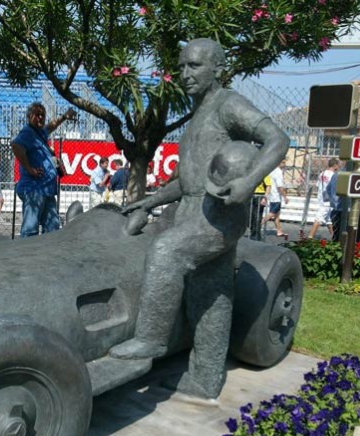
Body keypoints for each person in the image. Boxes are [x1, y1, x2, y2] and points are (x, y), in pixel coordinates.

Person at [108, 38, 290, 402]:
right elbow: (187, 179)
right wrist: (152, 198)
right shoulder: (200, 112)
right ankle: (206, 378)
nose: (185, 74)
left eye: (195, 66)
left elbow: (278, 139)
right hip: (195, 207)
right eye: (183, 66)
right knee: (212, 296)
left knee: (166, 251)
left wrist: (248, 180)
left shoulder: (228, 105)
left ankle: (150, 338)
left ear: (217, 70)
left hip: (218, 213)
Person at [11, 102, 77, 237]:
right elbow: (16, 146)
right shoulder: (27, 133)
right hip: (35, 189)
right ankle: (26, 254)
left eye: (42, 115)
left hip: (46, 189)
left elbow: (51, 126)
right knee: (30, 229)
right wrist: (30, 169)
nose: (40, 117)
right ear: (29, 116)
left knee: (52, 227)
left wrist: (64, 117)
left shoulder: (39, 133)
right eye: (37, 115)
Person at [308, 158, 339, 239]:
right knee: (319, 218)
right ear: (335, 165)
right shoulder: (334, 175)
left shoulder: (322, 173)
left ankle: (334, 236)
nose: (338, 166)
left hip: (321, 198)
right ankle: (310, 236)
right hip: (329, 200)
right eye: (338, 165)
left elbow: (318, 185)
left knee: (328, 219)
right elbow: (335, 188)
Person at [262, 162, 289, 237]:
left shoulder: (272, 170)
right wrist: (285, 197)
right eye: (283, 162)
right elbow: (279, 186)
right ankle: (258, 224)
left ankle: (279, 231)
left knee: (277, 215)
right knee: (273, 213)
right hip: (276, 196)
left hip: (272, 194)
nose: (285, 164)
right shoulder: (278, 172)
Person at [248, 176, 269, 240]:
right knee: (249, 216)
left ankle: (256, 234)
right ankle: (253, 231)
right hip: (249, 195)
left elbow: (268, 186)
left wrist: (265, 198)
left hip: (259, 196)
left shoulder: (264, 174)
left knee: (257, 216)